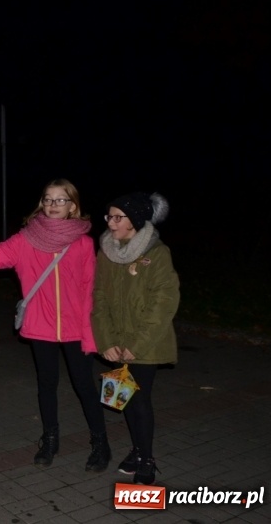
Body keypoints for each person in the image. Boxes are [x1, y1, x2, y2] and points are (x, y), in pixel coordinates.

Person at [0, 178, 112, 472]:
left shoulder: (83, 244)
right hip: (40, 325)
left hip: (76, 329)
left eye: (60, 200)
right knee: (47, 385)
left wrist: (90, 337)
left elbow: (90, 292)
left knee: (84, 386)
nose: (52, 205)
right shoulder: (26, 239)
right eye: (48, 199)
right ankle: (50, 440)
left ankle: (101, 443)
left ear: (72, 206)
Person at [91, 192, 179, 486]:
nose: (111, 223)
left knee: (139, 399)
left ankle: (146, 457)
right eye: (109, 216)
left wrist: (136, 346)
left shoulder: (157, 253)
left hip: (145, 343)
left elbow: (163, 303)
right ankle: (138, 449)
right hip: (116, 343)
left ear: (136, 220)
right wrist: (106, 341)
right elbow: (98, 298)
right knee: (125, 398)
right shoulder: (106, 251)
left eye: (118, 217)